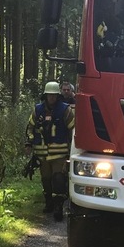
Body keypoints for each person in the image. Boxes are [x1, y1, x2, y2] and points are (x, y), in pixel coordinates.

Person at [25, 81, 75, 221]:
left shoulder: (65, 110)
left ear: (57, 96)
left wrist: (73, 150)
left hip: (59, 153)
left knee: (58, 179)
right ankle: (49, 203)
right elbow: (30, 127)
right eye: (49, 95)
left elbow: (73, 129)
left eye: (54, 95)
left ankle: (58, 208)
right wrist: (29, 142)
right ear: (45, 95)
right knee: (46, 179)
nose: (52, 98)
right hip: (42, 153)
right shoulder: (38, 109)